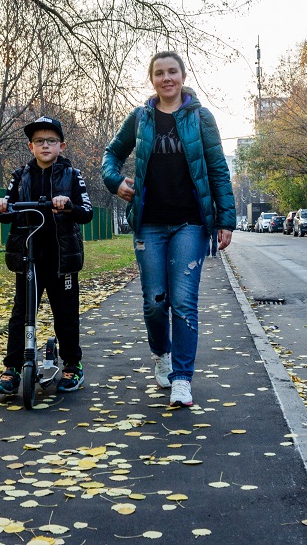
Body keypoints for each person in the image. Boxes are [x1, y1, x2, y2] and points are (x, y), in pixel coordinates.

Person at [101, 51, 235, 407]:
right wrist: (115, 182)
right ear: (152, 79)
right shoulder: (141, 118)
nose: (166, 78)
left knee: (183, 303)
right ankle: (161, 353)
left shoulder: (201, 118)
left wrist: (225, 219)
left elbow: (218, 169)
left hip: (190, 223)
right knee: (154, 302)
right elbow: (110, 155)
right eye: (159, 73)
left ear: (182, 75)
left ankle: (182, 378)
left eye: (172, 72)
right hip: (149, 224)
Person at [0, 116, 94, 395]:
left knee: (66, 314)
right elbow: (8, 211)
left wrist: (68, 204)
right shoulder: (20, 176)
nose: (45, 145)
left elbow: (87, 212)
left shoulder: (72, 175)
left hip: (62, 259)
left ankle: (73, 365)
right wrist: (2, 205)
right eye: (39, 141)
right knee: (22, 313)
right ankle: (12, 368)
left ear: (61, 145)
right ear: (30, 146)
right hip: (29, 257)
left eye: (50, 141)